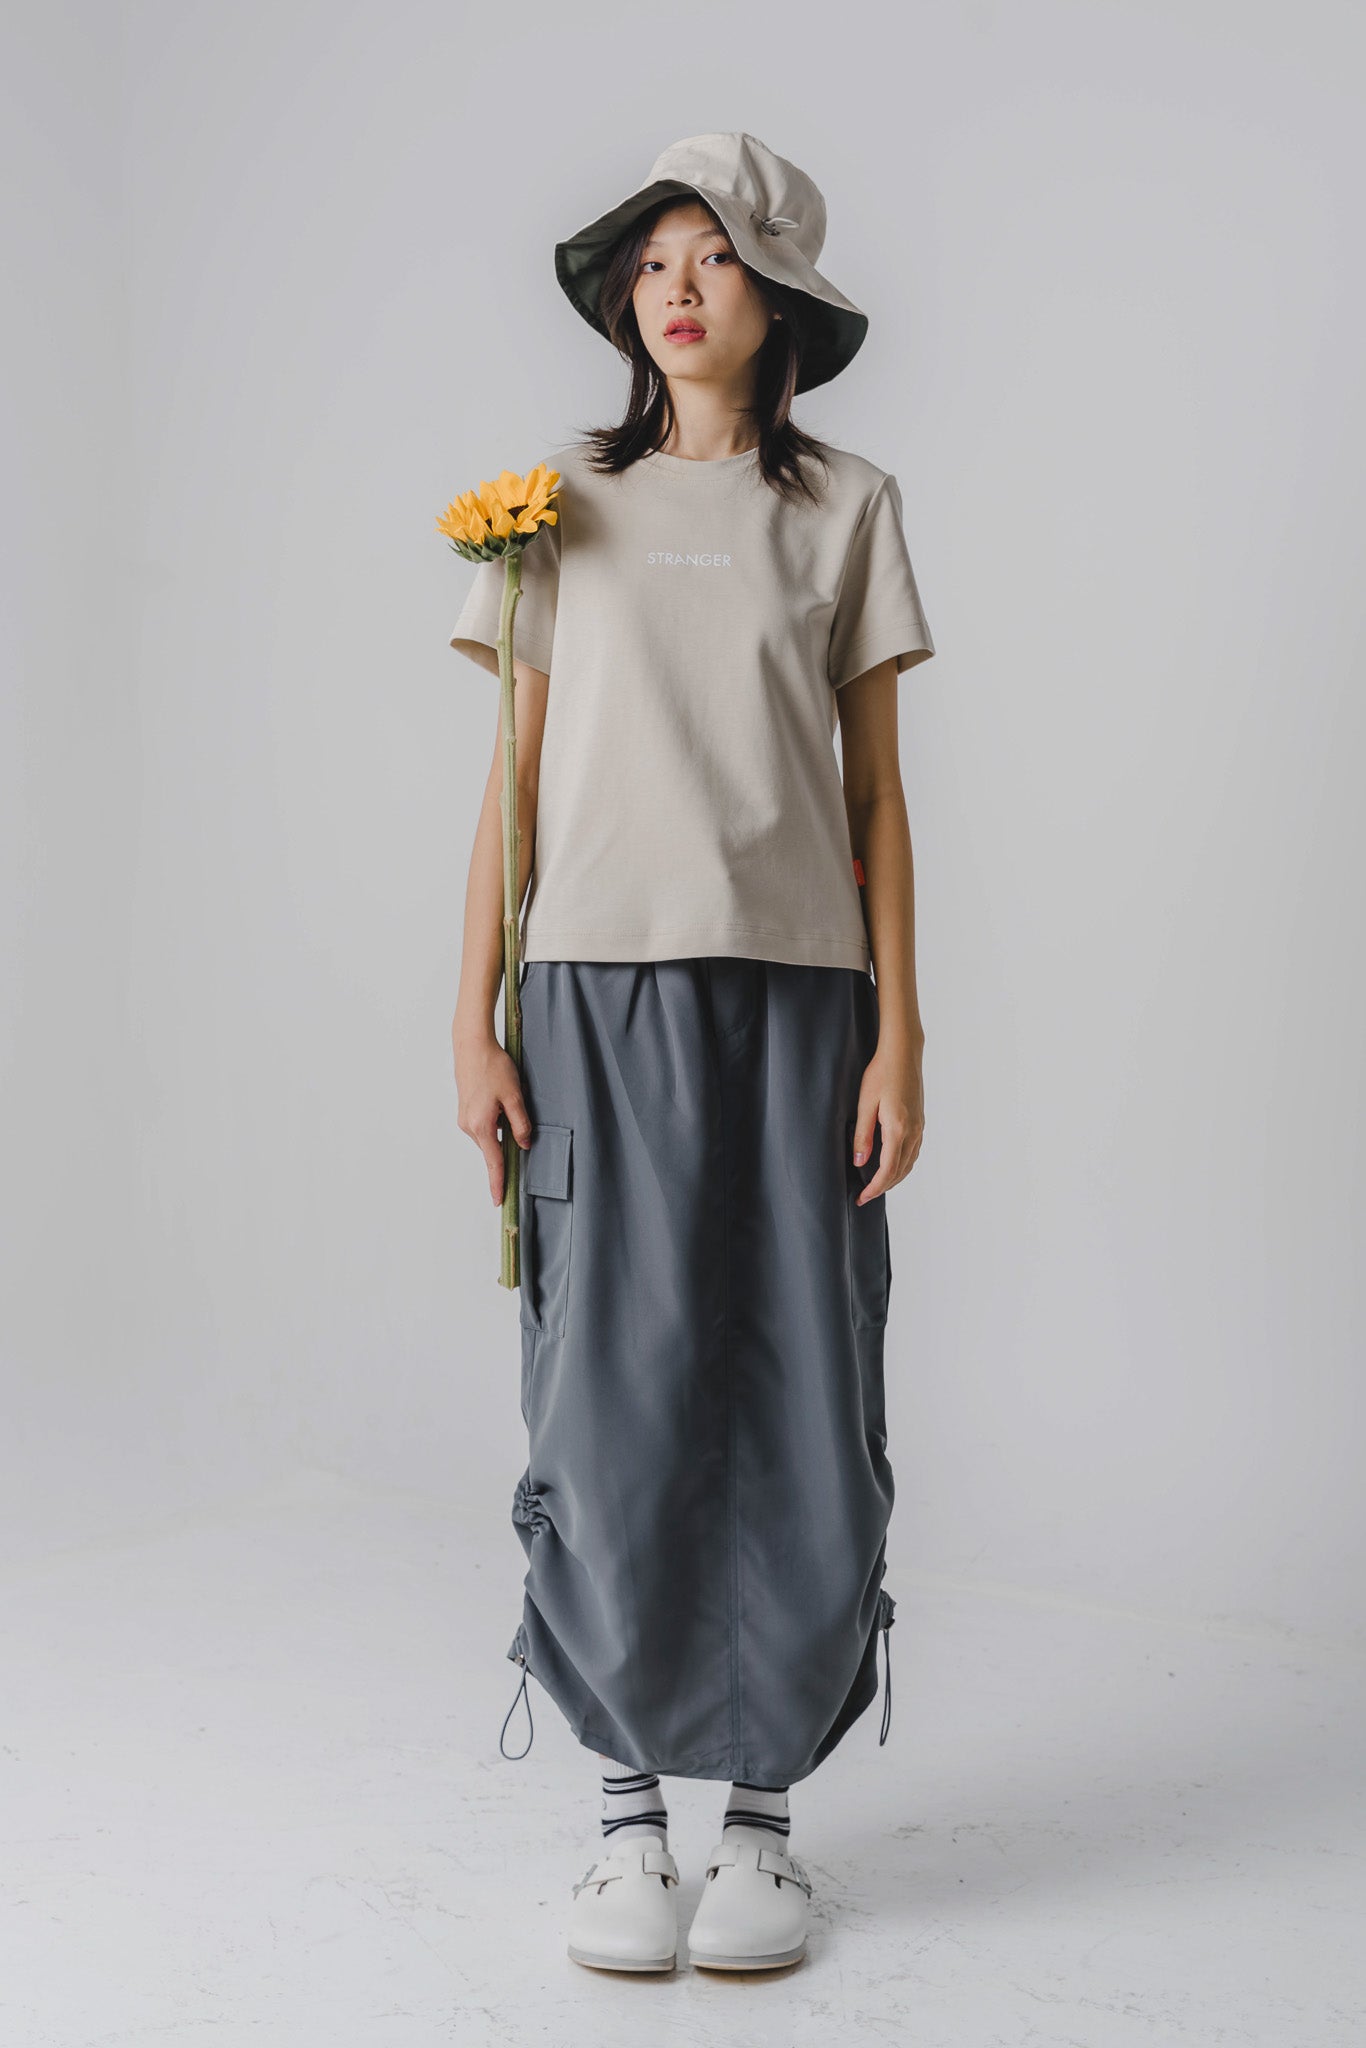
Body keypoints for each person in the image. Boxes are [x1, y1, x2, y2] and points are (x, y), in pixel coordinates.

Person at [448, 131, 936, 1975]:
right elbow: (506, 789)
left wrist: (901, 1033)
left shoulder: (849, 507)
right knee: (608, 1384)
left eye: (713, 258)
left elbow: (877, 799)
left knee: (801, 1376)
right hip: (588, 998)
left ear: (779, 300)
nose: (675, 287)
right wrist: (473, 1022)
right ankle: (624, 1822)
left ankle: (764, 1827)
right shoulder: (552, 504)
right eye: (652, 260)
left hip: (801, 998)